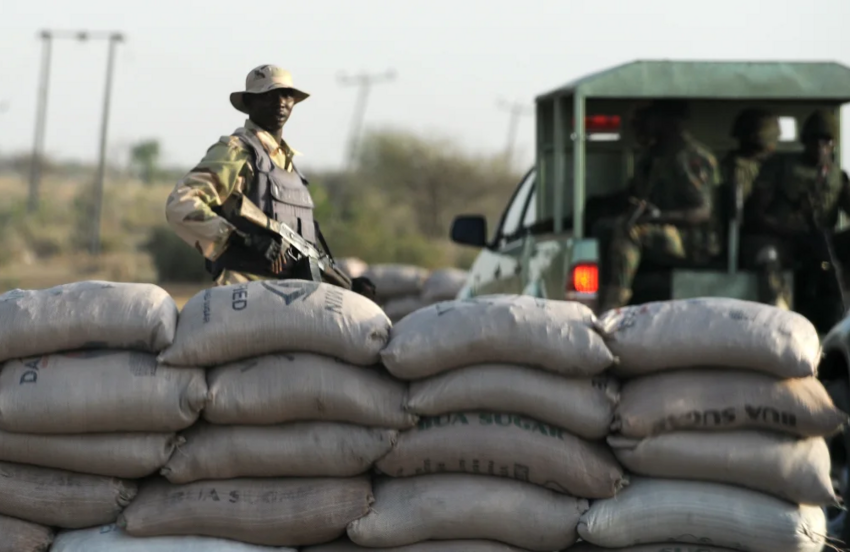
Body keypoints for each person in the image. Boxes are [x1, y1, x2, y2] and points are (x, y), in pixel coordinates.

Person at [165, 65, 375, 297]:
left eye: (287, 95)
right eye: (268, 95)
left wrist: (346, 284)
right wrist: (240, 240)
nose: (280, 102)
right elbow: (180, 203)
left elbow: (307, 253)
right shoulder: (236, 152)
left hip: (290, 297)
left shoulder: (289, 167)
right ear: (249, 103)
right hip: (245, 293)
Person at [597, 100, 721, 312]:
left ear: (666, 121)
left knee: (631, 232)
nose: (639, 125)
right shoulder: (652, 157)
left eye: (647, 118)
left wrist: (657, 217)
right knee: (605, 226)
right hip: (665, 232)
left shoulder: (690, 158)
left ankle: (613, 306)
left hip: (695, 240)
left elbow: (702, 211)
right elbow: (634, 194)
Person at [744, 109, 850, 320]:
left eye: (826, 140)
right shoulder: (780, 167)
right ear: (804, 141)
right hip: (782, 239)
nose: (820, 146)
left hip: (821, 242)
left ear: (834, 144)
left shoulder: (837, 176)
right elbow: (754, 213)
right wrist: (787, 229)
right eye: (814, 139)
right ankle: (777, 316)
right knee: (768, 257)